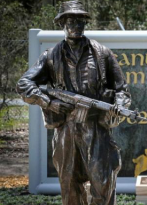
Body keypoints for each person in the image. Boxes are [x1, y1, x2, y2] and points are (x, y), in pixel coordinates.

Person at [16, 1, 131, 205]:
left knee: (103, 183)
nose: (76, 26)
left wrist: (119, 107)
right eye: (71, 21)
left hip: (96, 128)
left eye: (80, 21)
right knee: (69, 185)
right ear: (62, 23)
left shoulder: (102, 54)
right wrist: (48, 102)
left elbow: (122, 89)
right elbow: (24, 84)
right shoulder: (50, 56)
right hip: (66, 130)